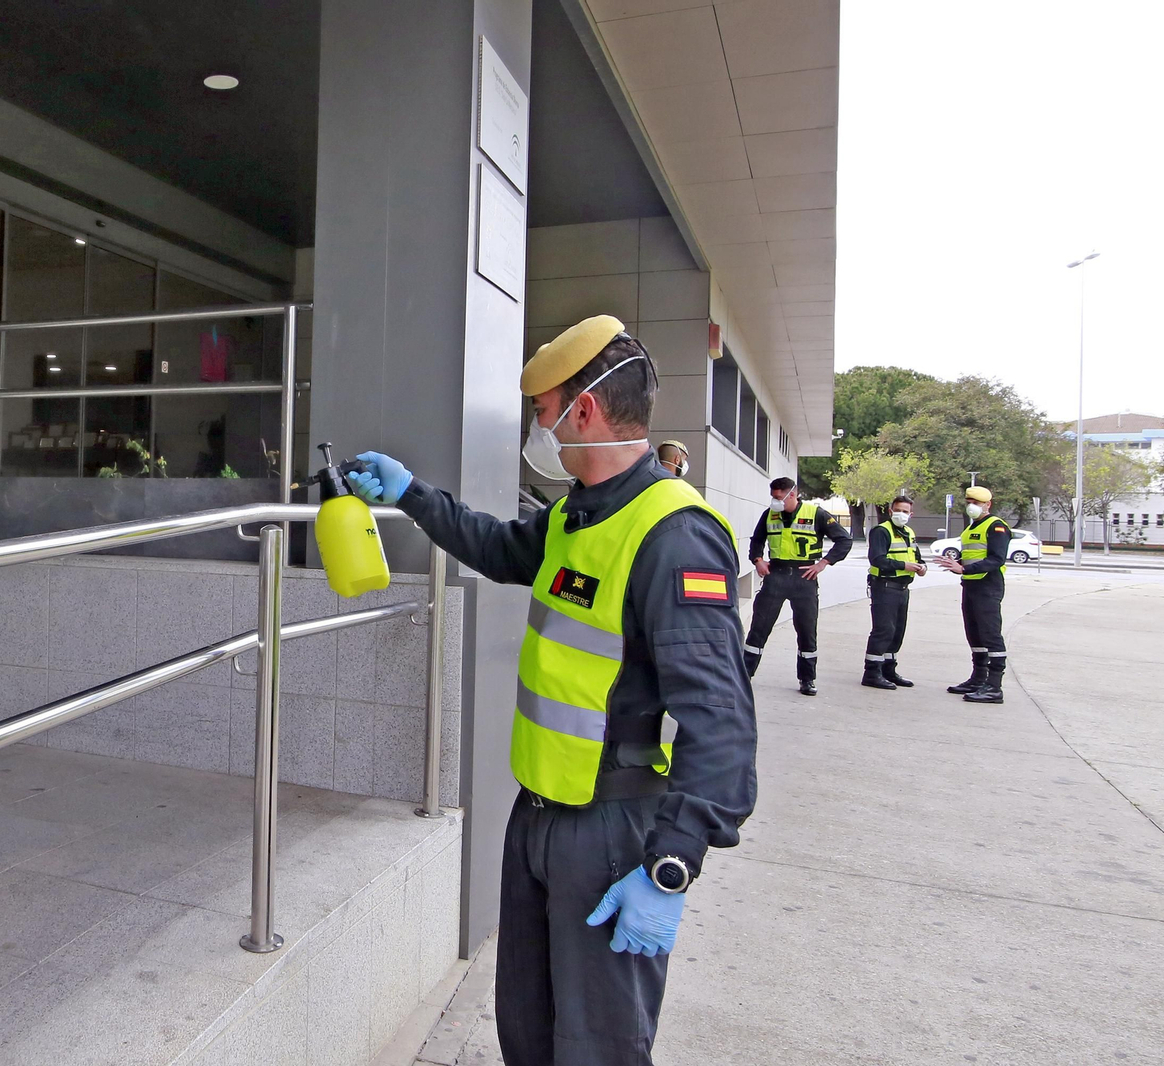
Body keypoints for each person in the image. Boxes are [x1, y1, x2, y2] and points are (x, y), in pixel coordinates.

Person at [344, 315, 756, 1066]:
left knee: (597, 1043)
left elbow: (720, 720)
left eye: (543, 410)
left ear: (585, 410)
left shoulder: (673, 534)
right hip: (538, 815)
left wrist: (672, 866)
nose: (540, 427)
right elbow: (502, 548)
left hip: (613, 828)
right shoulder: (576, 513)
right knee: (530, 1028)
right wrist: (412, 494)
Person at [742, 477, 852, 696]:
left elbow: (844, 540)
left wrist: (823, 563)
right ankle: (744, 675)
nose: (775, 501)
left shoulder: (816, 514)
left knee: (806, 631)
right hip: (777, 576)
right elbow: (756, 541)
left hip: (805, 579)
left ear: (793, 494)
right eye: (773, 496)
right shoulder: (769, 515)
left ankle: (807, 679)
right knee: (759, 628)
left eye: (779, 497)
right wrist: (758, 560)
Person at [935, 485, 1010, 703]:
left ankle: (995, 686)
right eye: (969, 502)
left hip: (988, 586)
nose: (972, 506)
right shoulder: (970, 528)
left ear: (988, 505)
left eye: (976, 503)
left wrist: (965, 568)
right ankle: (978, 678)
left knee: (991, 635)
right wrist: (957, 563)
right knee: (974, 634)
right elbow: (974, 556)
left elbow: (997, 559)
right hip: (970, 586)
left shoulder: (996, 526)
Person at [862, 495, 927, 689]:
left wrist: (922, 567)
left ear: (911, 514)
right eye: (898, 510)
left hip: (902, 588)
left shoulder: (908, 532)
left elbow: (917, 557)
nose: (901, 514)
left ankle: (888, 670)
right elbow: (877, 559)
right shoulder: (881, 531)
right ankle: (872, 673)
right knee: (884, 630)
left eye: (905, 511)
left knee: (897, 632)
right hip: (885, 586)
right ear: (890, 511)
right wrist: (904, 565)